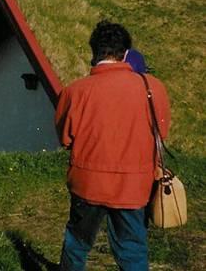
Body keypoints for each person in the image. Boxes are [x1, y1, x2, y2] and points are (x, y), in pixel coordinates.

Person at [55, 21, 171, 270]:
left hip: (88, 181)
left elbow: (65, 138)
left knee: (77, 244)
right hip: (134, 183)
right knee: (132, 250)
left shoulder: (75, 91)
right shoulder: (154, 88)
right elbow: (162, 132)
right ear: (125, 53)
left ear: (94, 51)